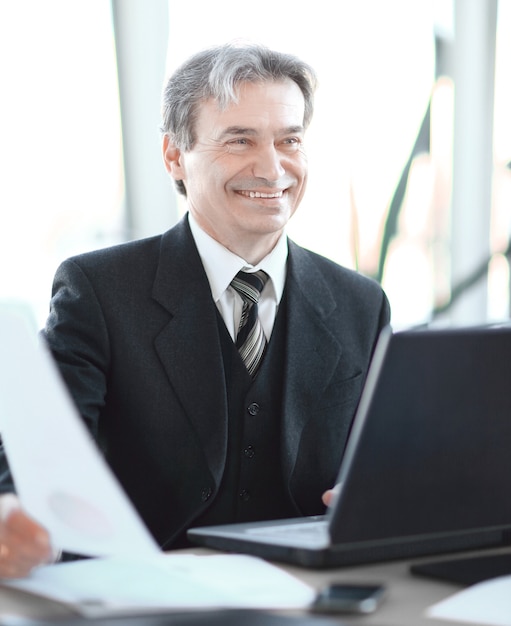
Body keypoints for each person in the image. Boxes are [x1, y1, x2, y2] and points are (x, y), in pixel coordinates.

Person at [0, 42, 390, 579]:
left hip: (310, 593)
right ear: (174, 156)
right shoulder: (98, 288)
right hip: (142, 590)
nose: (272, 167)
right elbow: (37, 457)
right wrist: (13, 512)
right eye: (240, 140)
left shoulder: (360, 303)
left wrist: (375, 493)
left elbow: (380, 464)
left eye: (289, 140)